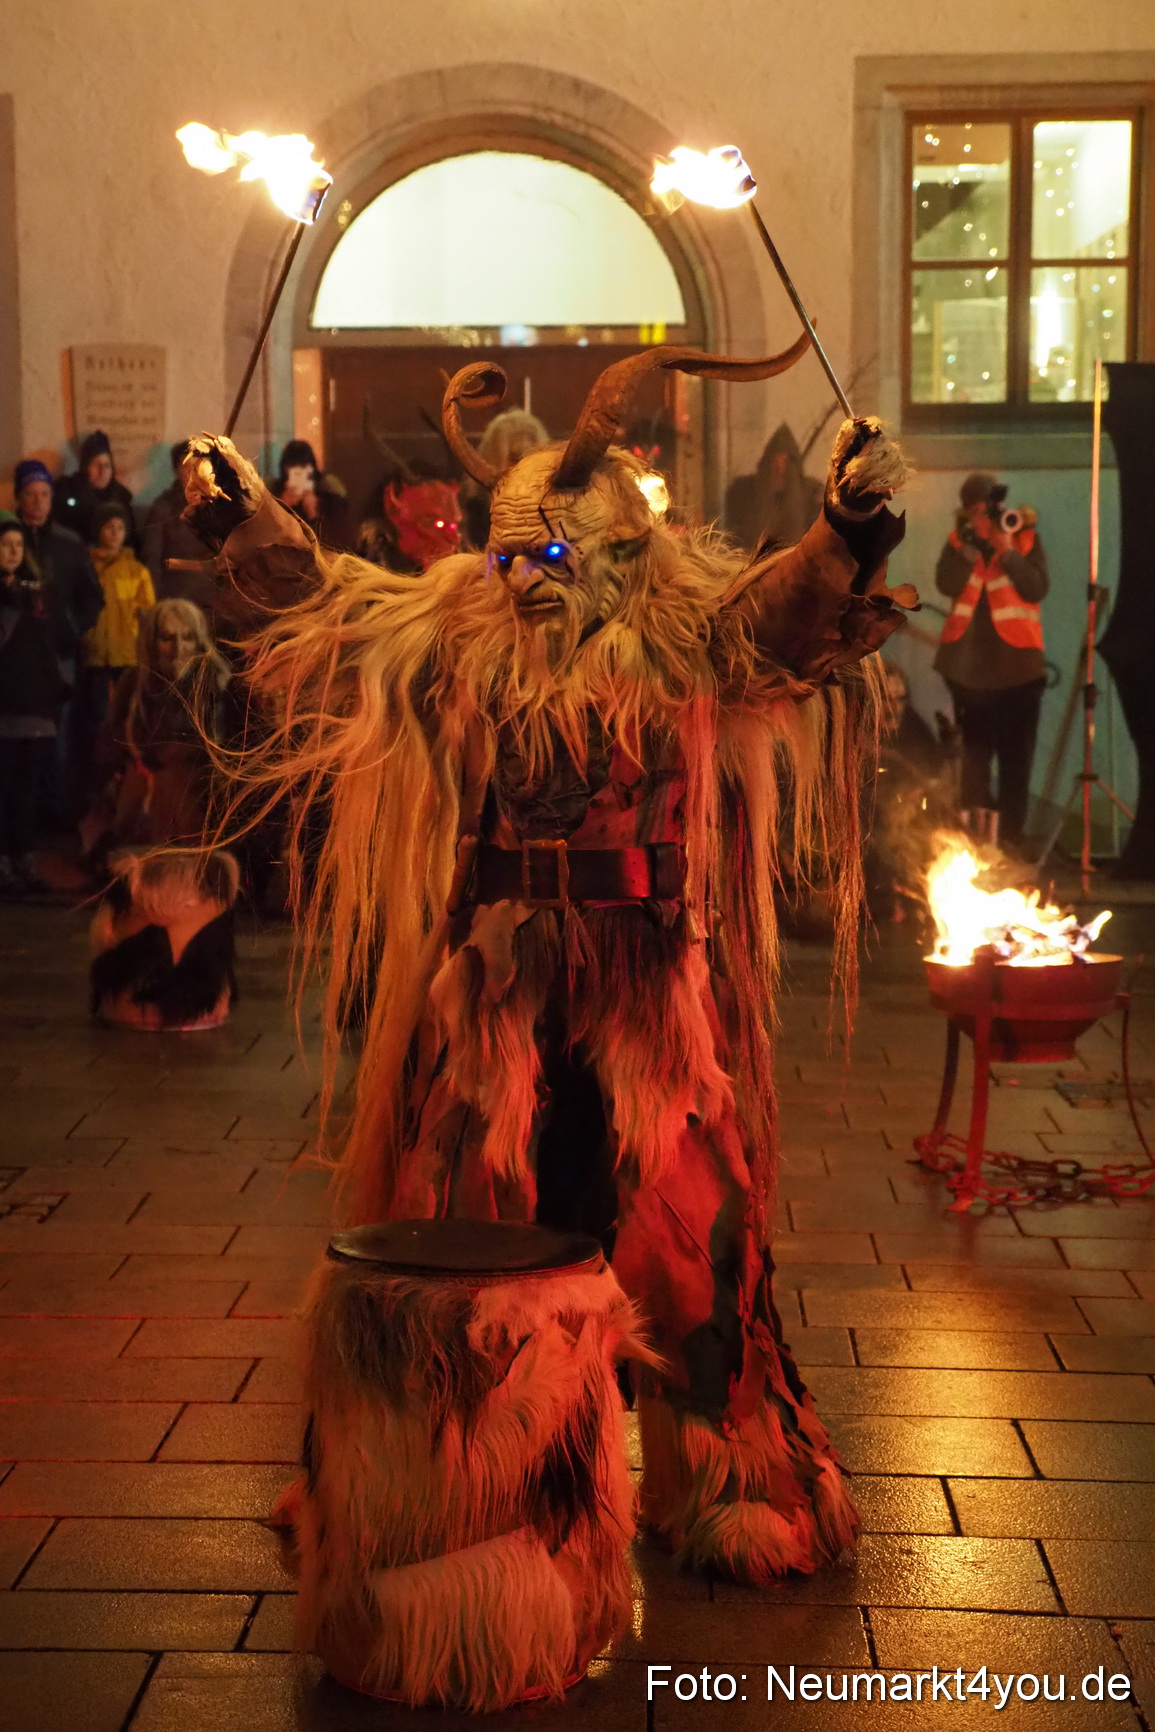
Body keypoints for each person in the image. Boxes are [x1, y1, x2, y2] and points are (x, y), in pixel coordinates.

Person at [181, 335, 915, 1596]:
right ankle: (442, 1489)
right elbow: (328, 604)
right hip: (496, 994)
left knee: (695, 1239)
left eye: (553, 558)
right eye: (507, 555)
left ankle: (735, 1477)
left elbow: (790, 621)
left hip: (649, 995)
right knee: (462, 1235)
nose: (523, 582)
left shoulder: (690, 633)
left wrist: (850, 532)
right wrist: (244, 515)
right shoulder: (457, 627)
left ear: (624, 560)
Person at [934, 472, 1049, 847]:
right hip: (970, 677)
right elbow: (946, 584)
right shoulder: (958, 543)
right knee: (974, 767)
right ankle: (976, 848)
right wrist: (967, 555)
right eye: (974, 510)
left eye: (988, 507)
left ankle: (1011, 847)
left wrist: (1007, 550)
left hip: (1019, 673)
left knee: (1017, 765)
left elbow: (1036, 587)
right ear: (967, 512)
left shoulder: (1024, 537)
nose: (982, 516)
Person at [14, 458, 103, 824]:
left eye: (44, 494)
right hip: (15, 659)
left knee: (57, 736)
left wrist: (69, 627)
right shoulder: (9, 542)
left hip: (56, 655)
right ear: (19, 498)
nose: (37, 502)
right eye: (30, 495)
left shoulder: (69, 545)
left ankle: (53, 813)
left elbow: (92, 598)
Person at [0, 513, 68, 893]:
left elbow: (48, 643)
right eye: (5, 544)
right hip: (5, 706)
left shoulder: (38, 592)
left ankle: (23, 855)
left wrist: (57, 685)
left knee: (27, 789)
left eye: (18, 545)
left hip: (36, 706)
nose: (12, 551)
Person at [83, 502, 155, 729]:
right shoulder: (88, 567)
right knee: (97, 713)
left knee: (127, 712)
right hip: (96, 652)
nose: (115, 533)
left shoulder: (136, 571)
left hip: (127, 653)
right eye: (109, 527)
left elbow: (147, 611)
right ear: (98, 530)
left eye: (120, 528)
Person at [143, 441, 217, 616]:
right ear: (176, 471)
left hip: (216, 600)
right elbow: (152, 558)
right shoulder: (164, 507)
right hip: (179, 601)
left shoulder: (219, 503)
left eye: (199, 467)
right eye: (187, 467)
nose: (194, 474)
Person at [460, 409, 549, 549]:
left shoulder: (552, 502)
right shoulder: (477, 505)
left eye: (530, 455)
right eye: (516, 457)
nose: (523, 464)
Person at [356, 461, 461, 573]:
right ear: (392, 509)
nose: (453, 540)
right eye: (436, 524)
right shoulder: (369, 575)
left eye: (453, 526)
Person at [53, 430, 138, 549]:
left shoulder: (121, 498)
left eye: (107, 465)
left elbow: (130, 540)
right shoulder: (67, 490)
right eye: (96, 464)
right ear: (85, 467)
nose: (102, 471)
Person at [270, 439, 348, 549]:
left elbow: (337, 542)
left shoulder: (329, 497)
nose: (299, 474)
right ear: (285, 469)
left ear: (312, 469)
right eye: (293, 469)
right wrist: (282, 507)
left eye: (303, 467)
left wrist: (313, 514)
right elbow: (267, 537)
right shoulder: (275, 493)